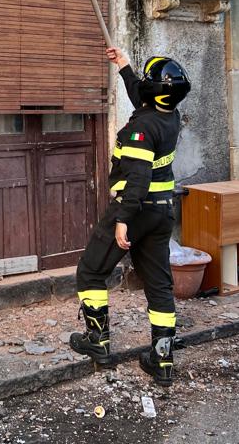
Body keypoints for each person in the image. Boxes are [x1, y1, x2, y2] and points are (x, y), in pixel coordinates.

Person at [69, 48, 191, 386]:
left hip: (135, 210)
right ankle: (162, 359)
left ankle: (98, 343)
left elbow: (137, 178)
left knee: (91, 271)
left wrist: (123, 219)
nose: (145, 89)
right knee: (159, 284)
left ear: (156, 92)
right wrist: (123, 66)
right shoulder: (169, 115)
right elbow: (142, 94)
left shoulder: (143, 127)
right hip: (162, 211)